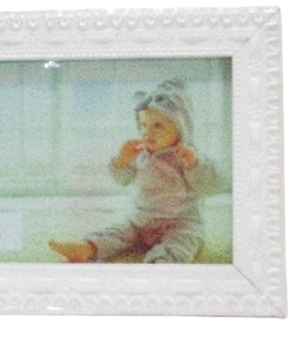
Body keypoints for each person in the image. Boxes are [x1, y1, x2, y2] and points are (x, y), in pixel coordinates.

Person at [49, 78, 218, 264]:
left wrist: (193, 164)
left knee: (183, 241)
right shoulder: (140, 154)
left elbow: (209, 185)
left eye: (158, 126)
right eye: (143, 125)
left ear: (180, 127)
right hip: (140, 221)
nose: (148, 132)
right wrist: (122, 161)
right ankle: (87, 247)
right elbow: (122, 179)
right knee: (118, 232)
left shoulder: (188, 155)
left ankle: (164, 260)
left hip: (180, 222)